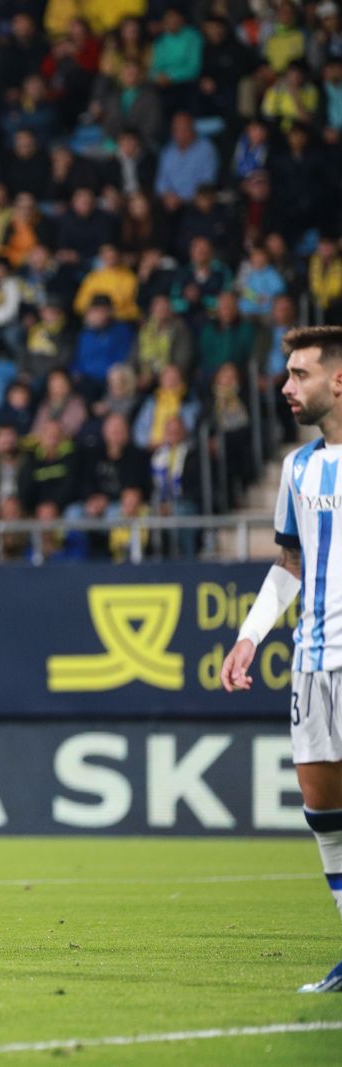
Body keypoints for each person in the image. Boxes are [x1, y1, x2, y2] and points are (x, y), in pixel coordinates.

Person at [219, 325, 342, 994]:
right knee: (323, 810)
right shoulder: (298, 468)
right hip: (313, 661)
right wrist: (250, 634)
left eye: (299, 374)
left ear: (338, 380)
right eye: (287, 374)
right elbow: (290, 561)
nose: (286, 387)